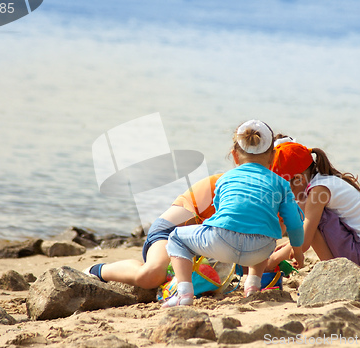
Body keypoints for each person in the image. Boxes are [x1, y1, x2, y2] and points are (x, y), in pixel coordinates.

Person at [163, 120, 304, 307]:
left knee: (176, 238)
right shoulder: (281, 183)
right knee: (263, 229)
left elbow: (221, 211)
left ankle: (184, 294)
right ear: (272, 157)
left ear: (234, 156)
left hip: (222, 244)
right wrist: (298, 251)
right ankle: (252, 287)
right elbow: (294, 223)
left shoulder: (225, 178)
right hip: (260, 250)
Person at [268, 141, 360, 278]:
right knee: (309, 218)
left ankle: (334, 273)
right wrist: (288, 245)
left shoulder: (318, 191)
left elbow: (304, 242)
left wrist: (273, 260)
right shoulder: (326, 180)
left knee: (312, 219)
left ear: (298, 179)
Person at [84, 173, 222, 289]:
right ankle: (98, 270)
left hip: (199, 243)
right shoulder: (230, 182)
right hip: (170, 232)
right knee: (151, 276)